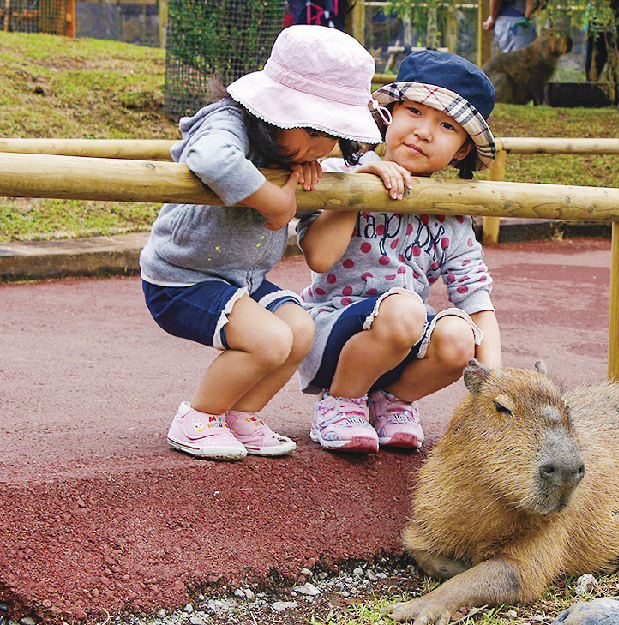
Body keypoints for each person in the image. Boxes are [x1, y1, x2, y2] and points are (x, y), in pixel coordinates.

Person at [139, 25, 383, 460]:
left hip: (242, 282)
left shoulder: (299, 157)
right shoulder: (228, 121)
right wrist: (273, 201)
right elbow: (212, 157)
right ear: (273, 111)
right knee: (270, 340)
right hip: (181, 276)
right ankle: (197, 416)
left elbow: (322, 252)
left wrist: (355, 177)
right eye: (309, 129)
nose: (319, 146)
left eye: (329, 134)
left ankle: (239, 413)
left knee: (300, 329)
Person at [296, 50, 502, 453]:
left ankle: (391, 400)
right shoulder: (345, 175)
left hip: (403, 341)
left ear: (462, 150)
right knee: (407, 310)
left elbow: (478, 304)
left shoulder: (450, 216)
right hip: (331, 333)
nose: (424, 131)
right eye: (412, 111)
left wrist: (496, 390)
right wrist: (359, 188)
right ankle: (340, 401)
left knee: (461, 337)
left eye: (446, 125)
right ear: (387, 115)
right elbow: (317, 256)